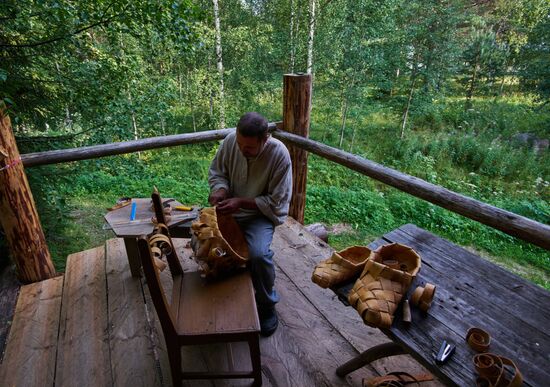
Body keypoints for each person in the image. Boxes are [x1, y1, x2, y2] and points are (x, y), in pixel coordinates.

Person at [208, 112, 292, 337]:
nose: (242, 150)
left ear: (266, 139)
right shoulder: (230, 142)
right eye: (240, 143)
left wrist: (241, 202)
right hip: (229, 209)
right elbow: (218, 172)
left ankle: (266, 306)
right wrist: (221, 191)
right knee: (206, 242)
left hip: (260, 215)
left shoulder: (279, 155)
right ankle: (225, 296)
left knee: (259, 255)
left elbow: (277, 202)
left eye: (249, 148)